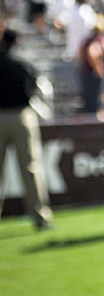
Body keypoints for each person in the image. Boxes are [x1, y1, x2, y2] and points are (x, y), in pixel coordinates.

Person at [0, 28, 55, 230]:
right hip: (22, 117)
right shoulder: (23, 63)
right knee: (31, 168)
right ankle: (40, 217)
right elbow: (34, 90)